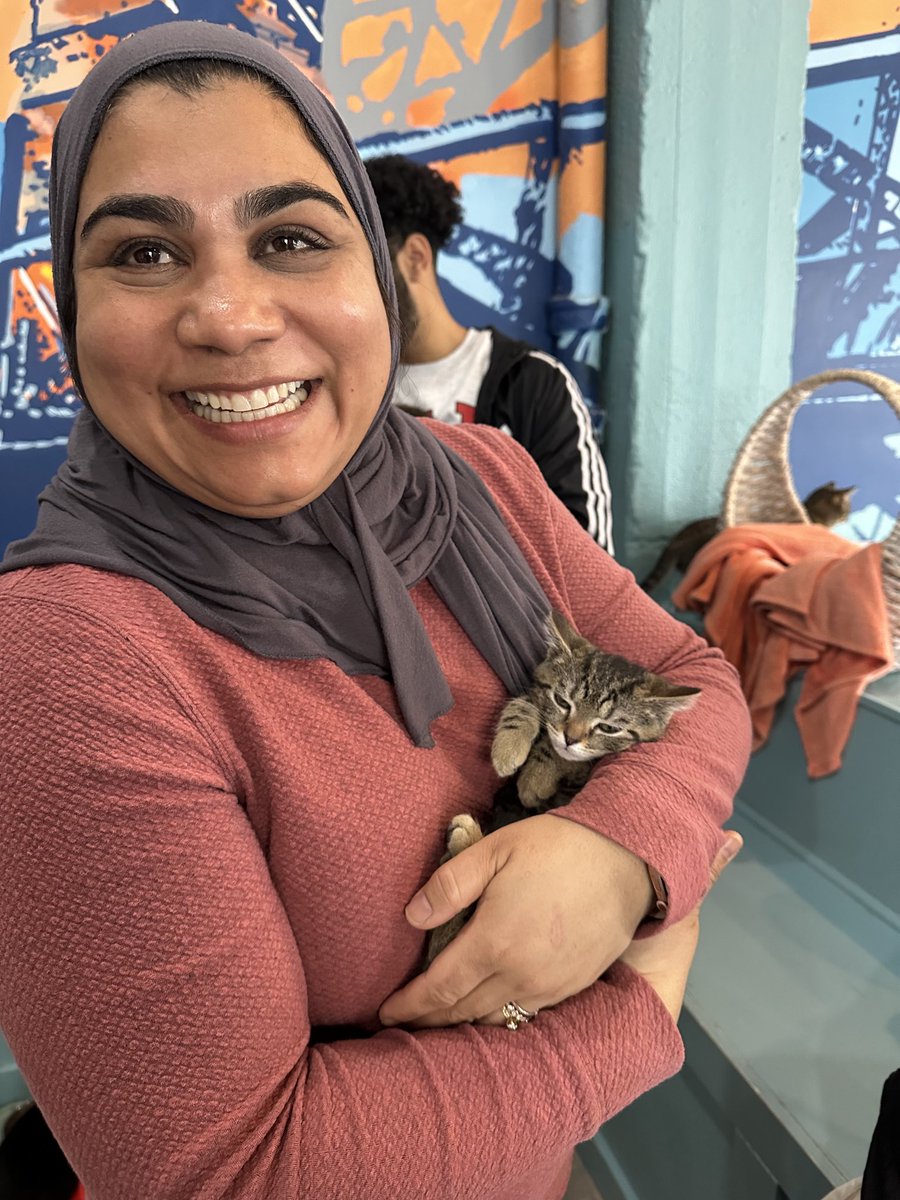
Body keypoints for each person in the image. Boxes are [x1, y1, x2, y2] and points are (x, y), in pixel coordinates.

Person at [0, 22, 750, 1200]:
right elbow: (230, 1175)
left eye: (293, 237)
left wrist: (621, 850)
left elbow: (694, 678)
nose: (230, 316)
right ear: (72, 303)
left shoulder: (483, 481)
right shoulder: (70, 662)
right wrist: (636, 1011)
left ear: (379, 267)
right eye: (144, 255)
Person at [365, 153, 615, 552]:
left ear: (414, 257)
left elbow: (589, 563)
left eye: (363, 265)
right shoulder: (350, 392)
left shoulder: (533, 383)